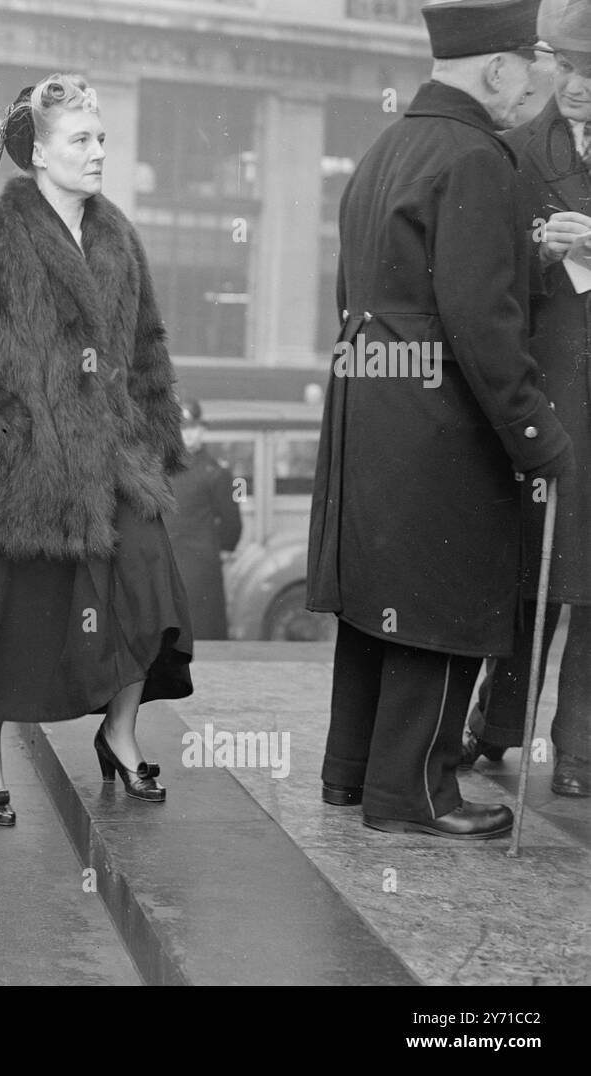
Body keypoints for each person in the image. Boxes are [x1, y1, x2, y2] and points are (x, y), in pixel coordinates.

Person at [306, 0, 572, 840]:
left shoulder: (390, 145)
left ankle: (351, 775)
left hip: (372, 405)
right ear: (497, 68)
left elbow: (374, 288)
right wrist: (537, 432)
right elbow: (481, 321)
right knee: (441, 600)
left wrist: (528, 258)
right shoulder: (479, 156)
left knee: (378, 603)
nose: (539, 79)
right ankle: (417, 795)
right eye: (531, 62)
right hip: (440, 424)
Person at [0, 74, 193, 824]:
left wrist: (147, 440)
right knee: (14, 621)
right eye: (81, 139)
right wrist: (12, 456)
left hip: (115, 465)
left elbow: (146, 352)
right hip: (20, 475)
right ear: (37, 153)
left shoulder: (117, 235)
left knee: (150, 596)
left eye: (101, 137)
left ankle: (122, 734)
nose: (99, 151)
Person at [463, 3, 591, 798]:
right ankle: (498, 724)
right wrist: (546, 259)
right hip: (552, 400)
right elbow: (491, 292)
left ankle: (578, 750)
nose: (575, 88)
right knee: (534, 572)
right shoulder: (513, 153)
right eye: (567, 67)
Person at [167, 398, 242, 640]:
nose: (188, 435)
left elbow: (232, 522)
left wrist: (219, 548)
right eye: (183, 428)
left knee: (204, 637)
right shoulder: (160, 468)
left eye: (193, 429)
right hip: (167, 564)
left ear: (203, 430)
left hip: (202, 569)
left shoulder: (217, 472)